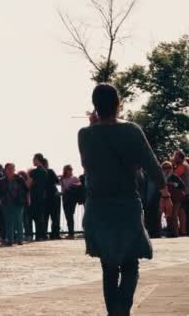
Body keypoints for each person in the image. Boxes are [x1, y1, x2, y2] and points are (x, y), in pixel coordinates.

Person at [78, 84, 169, 316]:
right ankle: (122, 311)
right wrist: (164, 191)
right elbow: (154, 168)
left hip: (98, 206)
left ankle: (114, 314)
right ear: (119, 104)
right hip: (127, 203)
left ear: (95, 107)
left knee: (108, 267)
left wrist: (93, 126)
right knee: (130, 263)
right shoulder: (132, 130)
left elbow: (88, 166)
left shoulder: (85, 134)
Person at [0, 163, 28, 246]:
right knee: (8, 222)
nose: (10, 170)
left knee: (19, 221)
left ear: (14, 169)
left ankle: (20, 239)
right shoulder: (2, 181)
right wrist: (0, 200)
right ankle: (10, 240)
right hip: (6, 204)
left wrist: (26, 200)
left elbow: (26, 190)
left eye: (12, 168)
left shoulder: (19, 179)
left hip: (18, 203)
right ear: (5, 170)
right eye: (8, 169)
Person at [27, 154, 48, 241]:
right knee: (40, 217)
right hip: (42, 196)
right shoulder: (44, 171)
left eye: (34, 159)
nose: (33, 161)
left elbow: (29, 184)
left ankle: (31, 235)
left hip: (34, 196)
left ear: (37, 159)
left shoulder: (34, 172)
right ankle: (41, 235)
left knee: (31, 217)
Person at [162, 161, 186, 237]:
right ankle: (171, 231)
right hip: (166, 198)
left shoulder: (174, 177)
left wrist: (173, 184)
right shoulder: (161, 178)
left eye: (169, 167)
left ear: (172, 168)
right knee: (167, 215)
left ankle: (175, 233)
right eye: (165, 168)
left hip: (176, 199)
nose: (167, 169)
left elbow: (183, 187)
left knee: (174, 214)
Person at [60, 165, 82, 239]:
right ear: (65, 170)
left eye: (71, 170)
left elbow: (80, 184)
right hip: (65, 198)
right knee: (67, 215)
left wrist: (74, 185)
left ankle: (71, 233)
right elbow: (60, 186)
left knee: (70, 215)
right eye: (69, 170)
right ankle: (70, 233)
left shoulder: (74, 178)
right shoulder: (62, 179)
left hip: (72, 199)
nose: (70, 171)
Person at [43, 158, 62, 240]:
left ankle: (44, 234)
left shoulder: (39, 173)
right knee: (55, 217)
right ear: (47, 164)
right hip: (53, 196)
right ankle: (55, 234)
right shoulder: (50, 171)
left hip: (44, 197)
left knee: (45, 217)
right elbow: (57, 182)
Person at [172, 150, 189, 235]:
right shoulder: (185, 164)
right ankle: (183, 230)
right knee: (181, 212)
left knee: (175, 211)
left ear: (180, 157)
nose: (173, 158)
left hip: (181, 192)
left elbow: (174, 175)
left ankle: (175, 231)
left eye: (175, 156)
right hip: (184, 192)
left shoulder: (182, 165)